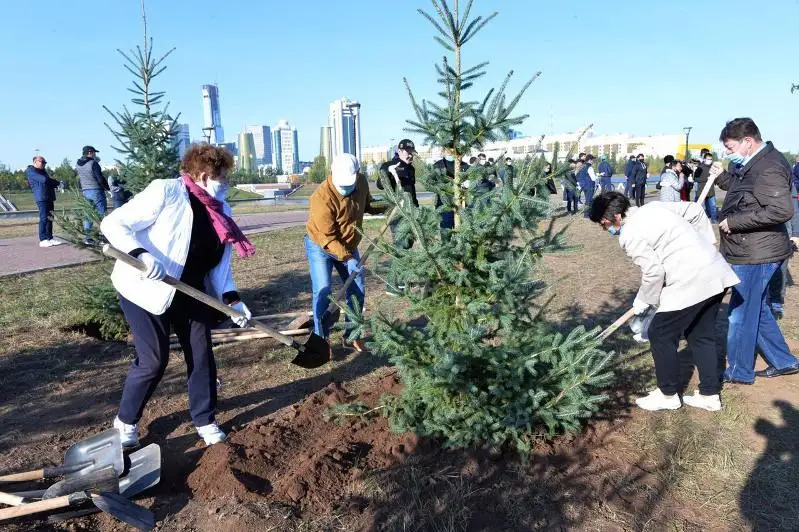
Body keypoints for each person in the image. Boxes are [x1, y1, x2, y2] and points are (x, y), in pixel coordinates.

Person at [101, 143, 255, 447]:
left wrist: (233, 299)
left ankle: (205, 419)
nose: (225, 183)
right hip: (145, 286)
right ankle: (126, 422)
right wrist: (142, 255)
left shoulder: (221, 211)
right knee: (153, 361)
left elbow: (219, 267)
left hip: (191, 290)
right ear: (201, 175)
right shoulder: (166, 192)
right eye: (220, 177)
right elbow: (113, 223)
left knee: (201, 355)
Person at [589, 191, 740, 411]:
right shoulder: (654, 207)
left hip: (691, 281)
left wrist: (643, 301)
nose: (606, 229)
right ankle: (709, 394)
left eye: (604, 224)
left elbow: (653, 272)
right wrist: (706, 244)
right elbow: (696, 210)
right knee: (700, 334)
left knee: (660, 333)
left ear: (617, 216)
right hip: (715, 271)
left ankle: (667, 394)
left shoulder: (629, 235)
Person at [711, 117, 799, 383]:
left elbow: (781, 210)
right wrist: (722, 177)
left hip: (756, 253)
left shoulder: (769, 167)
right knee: (756, 310)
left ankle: (739, 371)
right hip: (750, 249)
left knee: (739, 313)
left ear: (748, 142)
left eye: (729, 147)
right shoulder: (754, 163)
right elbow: (746, 192)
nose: (727, 152)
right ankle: (784, 361)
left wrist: (734, 222)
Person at [306, 154, 386, 351]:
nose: (346, 188)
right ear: (332, 174)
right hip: (321, 245)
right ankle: (321, 339)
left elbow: (369, 205)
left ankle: (352, 335)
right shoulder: (321, 198)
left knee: (357, 287)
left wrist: (390, 204)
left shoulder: (360, 182)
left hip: (349, 245)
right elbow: (328, 238)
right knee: (323, 290)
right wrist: (348, 258)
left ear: (357, 174)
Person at [377, 139, 418, 250]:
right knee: (401, 243)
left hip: (411, 211)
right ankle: (399, 265)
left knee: (409, 242)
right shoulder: (388, 165)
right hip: (396, 211)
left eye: (412, 153)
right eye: (407, 152)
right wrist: (389, 174)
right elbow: (380, 185)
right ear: (399, 151)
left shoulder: (411, 169)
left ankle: (405, 265)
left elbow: (411, 191)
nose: (410, 155)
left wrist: (416, 208)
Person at [25, 155, 64, 248]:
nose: (44, 164)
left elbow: (48, 182)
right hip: (41, 198)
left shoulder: (43, 171)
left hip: (49, 197)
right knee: (43, 218)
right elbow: (45, 180)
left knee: (50, 218)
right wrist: (58, 183)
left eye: (45, 162)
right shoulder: (31, 171)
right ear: (35, 162)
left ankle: (50, 238)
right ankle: (43, 239)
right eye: (42, 162)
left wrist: (57, 185)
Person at [76, 145, 110, 236]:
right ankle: (104, 235)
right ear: (90, 153)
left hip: (85, 191)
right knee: (102, 213)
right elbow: (100, 178)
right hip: (96, 190)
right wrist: (107, 188)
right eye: (94, 152)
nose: (95, 154)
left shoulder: (78, 164)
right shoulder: (93, 163)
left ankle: (88, 237)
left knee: (88, 214)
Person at [694, 153, 718, 222]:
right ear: (704, 159)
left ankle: (714, 220)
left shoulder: (713, 167)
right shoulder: (700, 167)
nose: (709, 160)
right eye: (708, 159)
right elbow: (696, 179)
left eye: (711, 159)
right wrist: (707, 179)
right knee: (700, 207)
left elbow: (715, 178)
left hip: (711, 191)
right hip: (702, 191)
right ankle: (699, 220)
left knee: (713, 206)